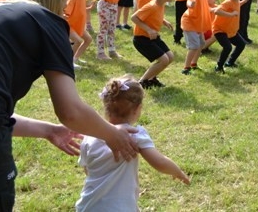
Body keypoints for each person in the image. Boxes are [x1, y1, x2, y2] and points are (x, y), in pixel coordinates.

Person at [0, 0, 138, 209]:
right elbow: (70, 111)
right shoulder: (46, 20)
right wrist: (114, 136)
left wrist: (48, 130)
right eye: (63, 8)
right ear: (54, 4)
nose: (63, 15)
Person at [75, 76, 189, 211]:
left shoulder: (90, 134)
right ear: (137, 109)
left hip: (88, 205)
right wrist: (178, 172)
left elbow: (86, 169)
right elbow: (159, 162)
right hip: (120, 207)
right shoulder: (134, 133)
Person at [212, 0, 250, 73]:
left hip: (231, 30)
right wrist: (231, 14)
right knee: (227, 47)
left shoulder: (236, 0)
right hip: (220, 30)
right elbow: (217, 11)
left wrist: (243, 2)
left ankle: (230, 62)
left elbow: (235, 6)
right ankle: (219, 66)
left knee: (241, 44)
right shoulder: (228, 2)